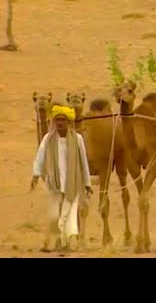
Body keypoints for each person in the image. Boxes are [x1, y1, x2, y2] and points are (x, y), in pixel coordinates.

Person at [31, 104, 93, 252]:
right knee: (54, 215)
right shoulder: (48, 139)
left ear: (69, 122)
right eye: (57, 119)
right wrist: (35, 175)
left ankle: (65, 244)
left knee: (69, 215)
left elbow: (83, 161)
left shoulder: (77, 139)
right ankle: (61, 242)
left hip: (73, 183)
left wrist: (87, 183)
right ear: (53, 121)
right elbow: (40, 158)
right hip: (54, 183)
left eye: (62, 120)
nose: (59, 123)